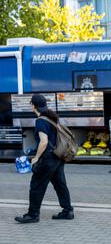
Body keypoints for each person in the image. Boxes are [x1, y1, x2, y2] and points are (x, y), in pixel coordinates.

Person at [15, 94, 74, 223]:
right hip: (58, 157)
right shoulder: (52, 118)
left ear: (33, 105)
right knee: (60, 184)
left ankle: (33, 215)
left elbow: (44, 142)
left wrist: (36, 158)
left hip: (47, 159)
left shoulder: (41, 120)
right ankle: (67, 211)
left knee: (36, 185)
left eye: (31, 104)